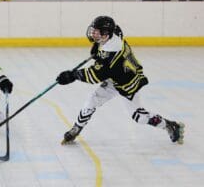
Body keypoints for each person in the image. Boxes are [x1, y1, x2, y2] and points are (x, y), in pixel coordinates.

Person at [56, 16, 185, 145]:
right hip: (115, 76)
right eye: (94, 30)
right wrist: (98, 45)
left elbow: (93, 75)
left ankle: (170, 125)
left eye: (97, 31)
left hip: (127, 83)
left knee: (138, 117)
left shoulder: (110, 56)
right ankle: (77, 128)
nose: (93, 33)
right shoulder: (114, 33)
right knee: (92, 100)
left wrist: (72, 75)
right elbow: (117, 31)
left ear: (106, 34)